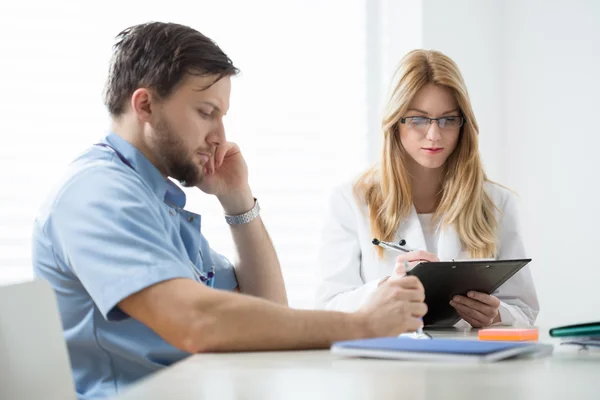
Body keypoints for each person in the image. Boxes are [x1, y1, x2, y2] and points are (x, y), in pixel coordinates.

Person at [31, 22, 427, 400]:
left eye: (222, 116)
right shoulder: (99, 194)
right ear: (146, 104)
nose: (220, 136)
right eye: (206, 112)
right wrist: (361, 325)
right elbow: (197, 322)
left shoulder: (156, 201)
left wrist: (238, 201)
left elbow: (268, 311)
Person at [315, 49, 539, 328]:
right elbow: (329, 306)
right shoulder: (351, 200)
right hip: (386, 365)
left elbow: (524, 311)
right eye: (419, 119)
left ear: (463, 125)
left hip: (472, 368)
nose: (434, 135)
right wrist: (385, 289)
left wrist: (497, 315)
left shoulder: (497, 203)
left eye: (448, 120)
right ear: (395, 122)